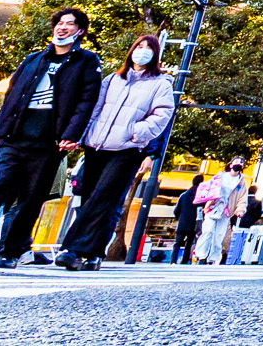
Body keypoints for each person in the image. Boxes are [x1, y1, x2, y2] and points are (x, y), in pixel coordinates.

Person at [0, 7, 101, 268]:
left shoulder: (87, 61)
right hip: (13, 138)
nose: (62, 27)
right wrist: (0, 132)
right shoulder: (35, 59)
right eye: (59, 23)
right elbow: (12, 95)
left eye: (69, 24)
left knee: (30, 199)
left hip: (49, 142)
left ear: (79, 31)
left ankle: (10, 252)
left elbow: (87, 101)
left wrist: (71, 135)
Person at [55, 32, 174, 270]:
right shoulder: (112, 79)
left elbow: (162, 116)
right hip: (96, 146)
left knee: (102, 198)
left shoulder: (160, 84)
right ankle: (94, 253)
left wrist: (136, 133)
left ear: (155, 54)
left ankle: (72, 249)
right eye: (139, 45)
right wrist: (81, 135)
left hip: (127, 149)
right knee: (92, 199)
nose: (142, 50)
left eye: (148, 47)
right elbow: (94, 109)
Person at [194, 159, 246, 263]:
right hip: (213, 208)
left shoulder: (241, 181)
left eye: (241, 163)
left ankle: (213, 258)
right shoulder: (220, 176)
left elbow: (242, 198)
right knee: (207, 231)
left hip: (226, 211)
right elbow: (210, 188)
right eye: (236, 162)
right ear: (230, 164)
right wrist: (209, 202)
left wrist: (240, 210)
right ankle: (201, 256)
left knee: (219, 235)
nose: (238, 165)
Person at [172, 173, 201, 263]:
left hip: (182, 222)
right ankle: (184, 261)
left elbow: (176, 210)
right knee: (189, 244)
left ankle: (173, 261)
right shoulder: (201, 197)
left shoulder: (184, 195)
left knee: (177, 243)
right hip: (193, 224)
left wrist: (179, 218)